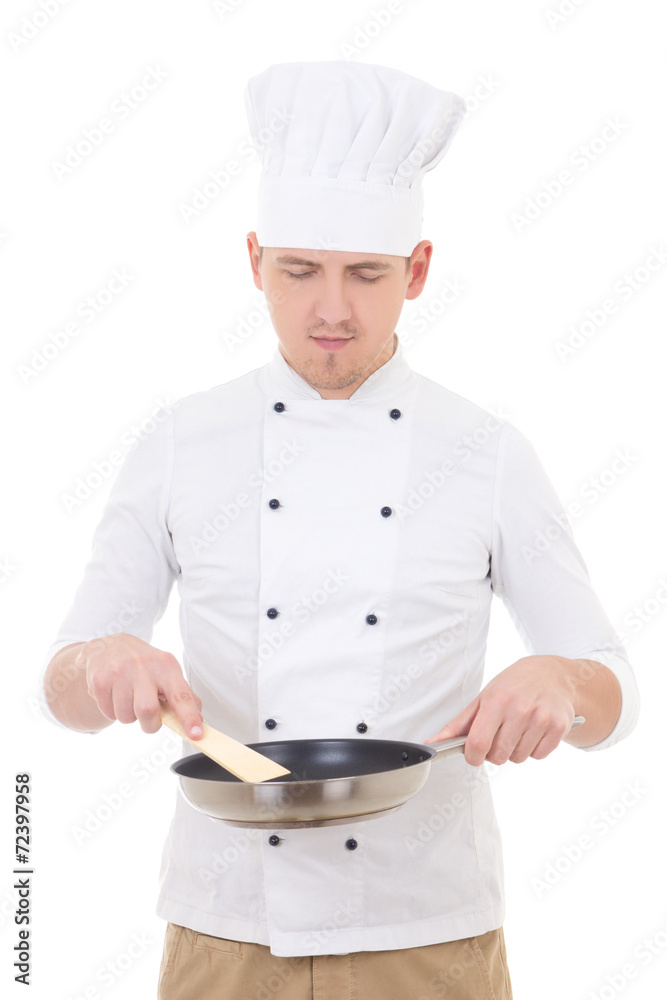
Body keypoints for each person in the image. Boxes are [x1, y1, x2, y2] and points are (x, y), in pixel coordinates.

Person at [40, 61, 640, 1000]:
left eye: (365, 273)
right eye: (298, 271)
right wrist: (101, 662)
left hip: (429, 935)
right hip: (224, 930)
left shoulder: (483, 452)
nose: (331, 308)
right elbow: (60, 688)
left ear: (417, 270)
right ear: (253, 262)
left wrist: (561, 684)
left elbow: (615, 691)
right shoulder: (179, 442)